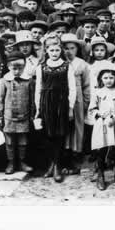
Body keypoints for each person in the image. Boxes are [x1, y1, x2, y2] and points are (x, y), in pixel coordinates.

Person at [34, 35, 77, 183]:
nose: (54, 53)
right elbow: (38, 88)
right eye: (51, 50)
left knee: (59, 135)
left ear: (61, 50)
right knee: (48, 135)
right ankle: (51, 164)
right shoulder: (41, 67)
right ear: (46, 50)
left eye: (57, 50)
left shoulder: (67, 65)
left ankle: (58, 166)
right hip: (46, 102)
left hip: (61, 102)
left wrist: (71, 107)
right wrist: (38, 109)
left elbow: (72, 88)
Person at [89, 61, 115, 190]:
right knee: (102, 150)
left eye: (111, 77)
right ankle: (101, 175)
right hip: (104, 124)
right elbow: (92, 110)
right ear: (101, 79)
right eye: (105, 78)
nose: (108, 80)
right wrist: (101, 115)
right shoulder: (98, 92)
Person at [0, 52, 35, 175]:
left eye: (20, 68)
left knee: (23, 141)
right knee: (9, 142)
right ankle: (11, 163)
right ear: (9, 67)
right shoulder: (5, 81)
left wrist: (32, 116)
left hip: (24, 116)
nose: (17, 71)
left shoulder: (28, 81)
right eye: (14, 68)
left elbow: (32, 100)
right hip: (8, 117)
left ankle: (22, 162)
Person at [61, 33, 90, 175]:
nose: (69, 51)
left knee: (77, 127)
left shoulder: (82, 64)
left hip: (78, 99)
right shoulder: (59, 62)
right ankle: (64, 159)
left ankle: (76, 158)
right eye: (66, 48)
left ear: (77, 49)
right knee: (64, 128)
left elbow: (87, 85)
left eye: (72, 48)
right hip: (62, 98)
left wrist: (85, 102)